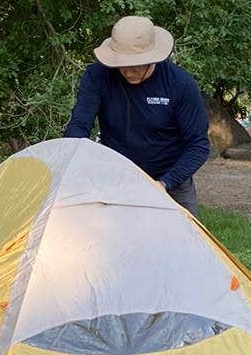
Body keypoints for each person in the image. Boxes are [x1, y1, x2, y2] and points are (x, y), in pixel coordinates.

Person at [63, 15, 209, 214]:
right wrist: (76, 162)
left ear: (153, 58)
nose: (129, 72)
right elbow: (79, 126)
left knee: (182, 244)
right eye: (121, 65)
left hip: (171, 181)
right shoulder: (97, 76)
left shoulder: (180, 84)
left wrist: (165, 183)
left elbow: (198, 146)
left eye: (136, 66)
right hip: (115, 179)